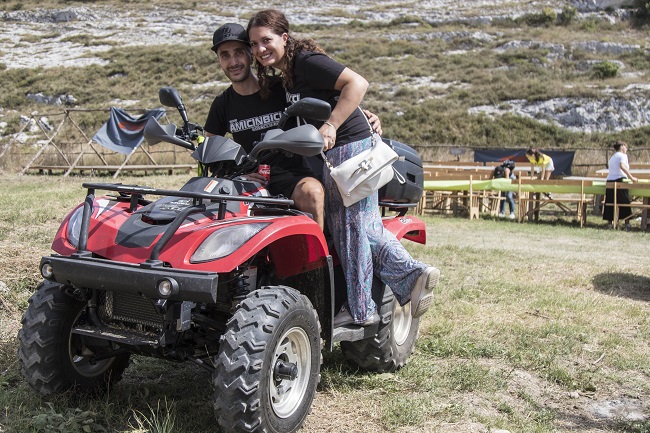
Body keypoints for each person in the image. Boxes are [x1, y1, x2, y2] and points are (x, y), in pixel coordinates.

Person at [247, 9, 439, 327]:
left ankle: (361, 310)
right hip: (350, 147)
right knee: (366, 228)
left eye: (265, 40)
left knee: (349, 229)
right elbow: (337, 93)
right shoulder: (289, 72)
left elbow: (356, 82)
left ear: (283, 37)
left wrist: (332, 125)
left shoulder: (305, 61)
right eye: (253, 44)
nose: (259, 49)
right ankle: (413, 274)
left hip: (347, 149)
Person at [204, 23, 382, 231]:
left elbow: (329, 99)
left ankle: (317, 262)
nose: (233, 62)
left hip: (293, 174)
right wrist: (236, 175)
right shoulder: (222, 104)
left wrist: (364, 115)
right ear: (219, 60)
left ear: (251, 54)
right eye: (225, 55)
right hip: (249, 179)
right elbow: (210, 150)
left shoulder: (282, 88)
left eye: (239, 53)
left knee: (313, 193)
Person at [603, 140, 637, 230]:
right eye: (626, 147)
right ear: (622, 146)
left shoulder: (613, 157)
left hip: (610, 180)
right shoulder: (623, 155)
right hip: (620, 180)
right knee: (624, 202)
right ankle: (627, 224)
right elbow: (622, 166)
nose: (626, 149)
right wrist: (631, 177)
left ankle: (609, 224)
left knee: (610, 202)